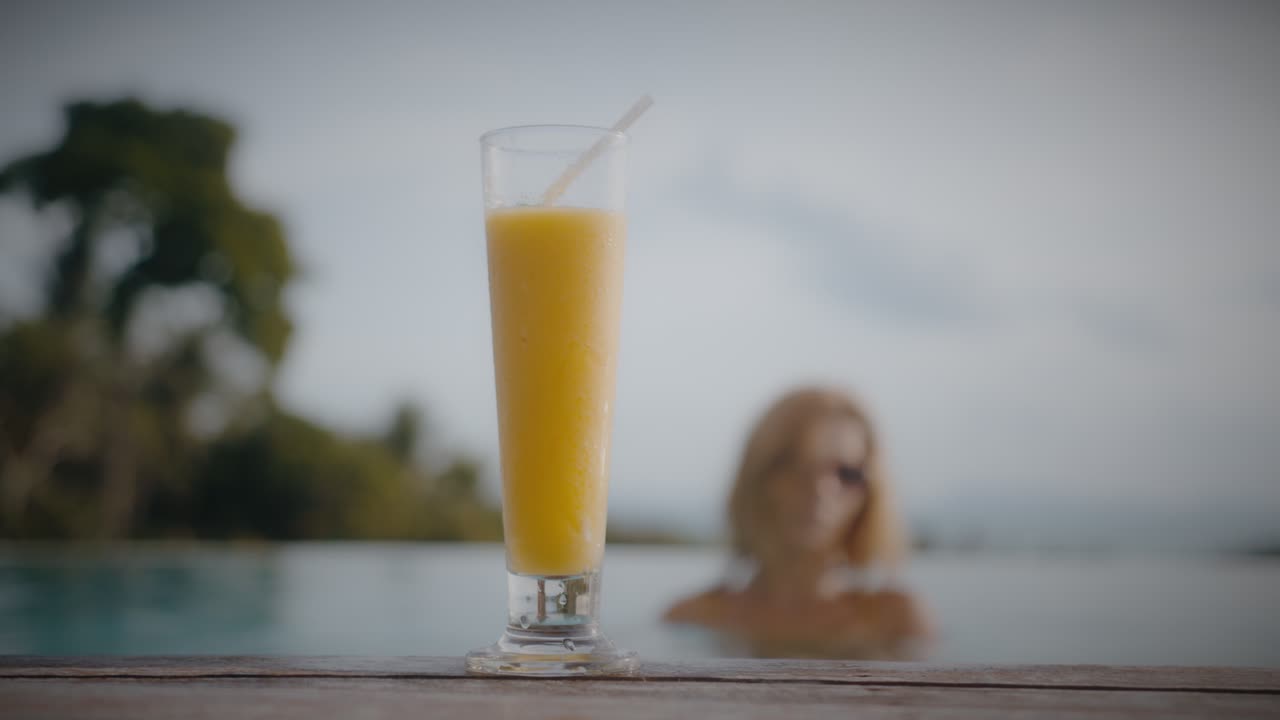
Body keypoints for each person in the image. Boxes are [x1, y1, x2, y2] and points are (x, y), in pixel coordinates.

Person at [664, 387, 933, 659]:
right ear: (757, 478)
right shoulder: (693, 616)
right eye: (794, 464)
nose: (821, 489)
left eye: (847, 473)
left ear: (871, 494)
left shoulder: (897, 621)